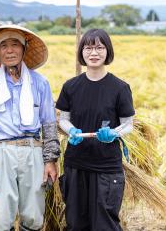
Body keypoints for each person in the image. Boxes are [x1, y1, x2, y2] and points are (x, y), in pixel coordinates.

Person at [0, 25, 60, 231]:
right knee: (1, 218)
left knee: (33, 216)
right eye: (4, 45)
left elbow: (49, 124)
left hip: (33, 151)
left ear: (24, 49)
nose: (9, 50)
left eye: (15, 45)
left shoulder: (40, 83)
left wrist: (50, 160)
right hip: (1, 153)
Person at [56, 28, 135, 231]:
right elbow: (63, 119)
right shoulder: (71, 86)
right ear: (81, 52)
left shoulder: (120, 87)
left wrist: (114, 133)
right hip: (76, 163)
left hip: (107, 167)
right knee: (76, 222)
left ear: (107, 51)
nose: (94, 53)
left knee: (105, 224)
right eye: (88, 47)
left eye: (99, 47)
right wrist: (71, 130)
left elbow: (128, 123)